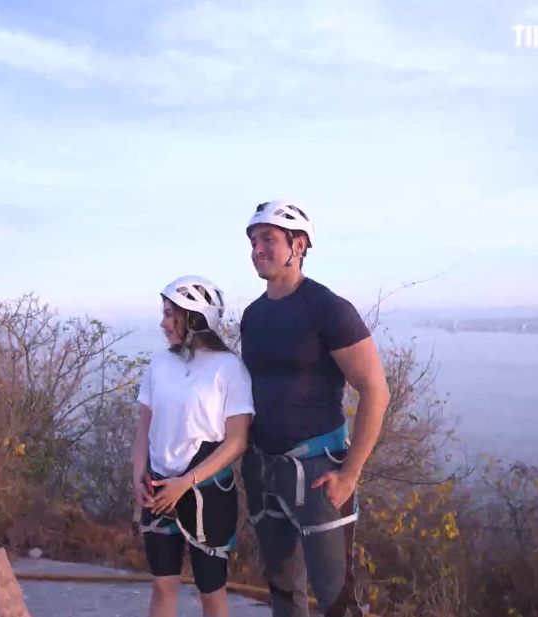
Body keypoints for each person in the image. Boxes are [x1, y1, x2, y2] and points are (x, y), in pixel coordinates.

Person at [239, 200, 390, 617]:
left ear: (299, 245)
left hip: (319, 471)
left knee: (336, 599)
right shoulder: (253, 316)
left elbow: (375, 390)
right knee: (283, 592)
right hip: (265, 469)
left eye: (268, 239)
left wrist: (350, 474)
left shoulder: (328, 309)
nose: (257, 249)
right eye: (253, 241)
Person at [131, 275, 255, 617]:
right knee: (163, 584)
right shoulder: (159, 364)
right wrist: (137, 474)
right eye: (164, 313)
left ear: (195, 319)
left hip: (207, 491)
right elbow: (144, 428)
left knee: (211, 591)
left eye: (172, 314)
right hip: (157, 485)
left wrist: (186, 482)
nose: (163, 322)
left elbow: (237, 440)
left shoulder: (229, 368)